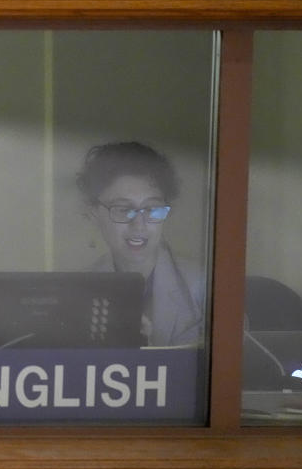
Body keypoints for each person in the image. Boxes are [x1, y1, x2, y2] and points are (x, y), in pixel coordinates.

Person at [76, 141, 205, 346]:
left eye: (152, 208)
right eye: (122, 209)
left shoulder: (203, 287)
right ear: (93, 214)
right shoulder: (78, 291)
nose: (139, 224)